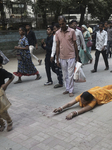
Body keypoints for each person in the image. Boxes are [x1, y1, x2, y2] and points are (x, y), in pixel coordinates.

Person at [56, 16, 78, 97]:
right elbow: (57, 46)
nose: (62, 25)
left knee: (70, 74)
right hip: (62, 57)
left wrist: (77, 56)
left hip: (71, 56)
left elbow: (75, 44)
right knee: (65, 74)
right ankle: (67, 88)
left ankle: (71, 90)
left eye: (63, 23)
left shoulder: (72, 31)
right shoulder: (57, 33)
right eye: (60, 24)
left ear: (66, 22)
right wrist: (57, 59)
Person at [0, 56, 14, 131]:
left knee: (2, 109)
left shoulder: (2, 71)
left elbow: (12, 77)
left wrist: (5, 85)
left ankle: (9, 122)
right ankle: (1, 124)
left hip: (0, 92)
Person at [50, 23, 63, 88]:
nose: (54, 30)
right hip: (57, 55)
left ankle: (65, 82)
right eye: (54, 29)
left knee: (63, 70)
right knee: (57, 69)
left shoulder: (63, 34)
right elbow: (54, 46)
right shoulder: (55, 36)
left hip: (64, 54)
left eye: (55, 29)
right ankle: (60, 82)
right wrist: (52, 55)